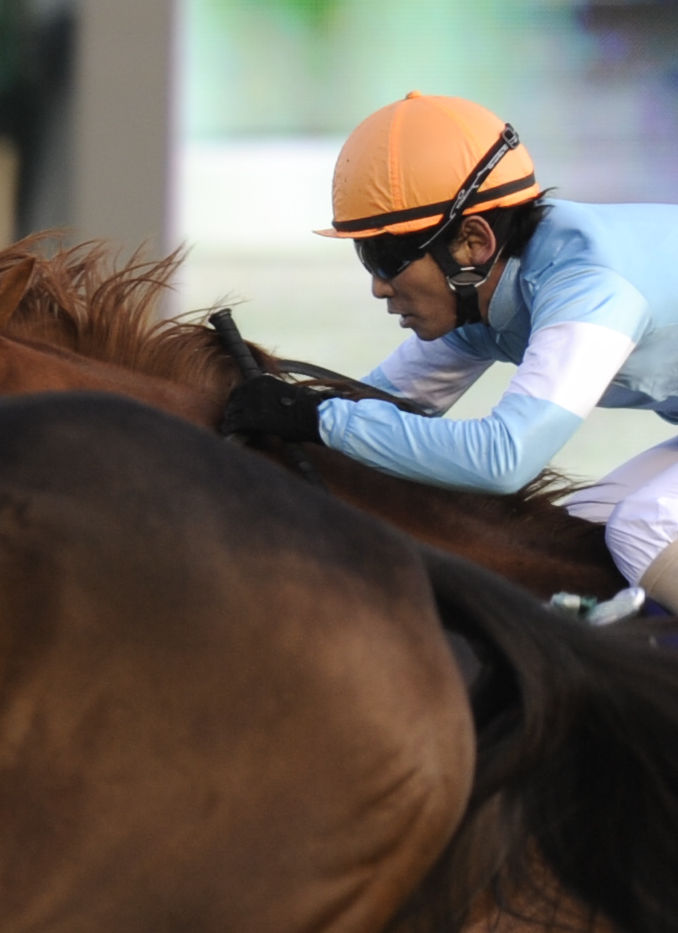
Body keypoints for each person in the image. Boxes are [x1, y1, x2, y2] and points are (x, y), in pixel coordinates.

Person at [218, 90, 678, 605]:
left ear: (473, 242)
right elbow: (382, 407)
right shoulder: (486, 290)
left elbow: (504, 459)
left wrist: (318, 419)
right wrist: (274, 416)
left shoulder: (588, 285)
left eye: (385, 256)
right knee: (572, 541)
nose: (378, 286)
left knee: (645, 530)